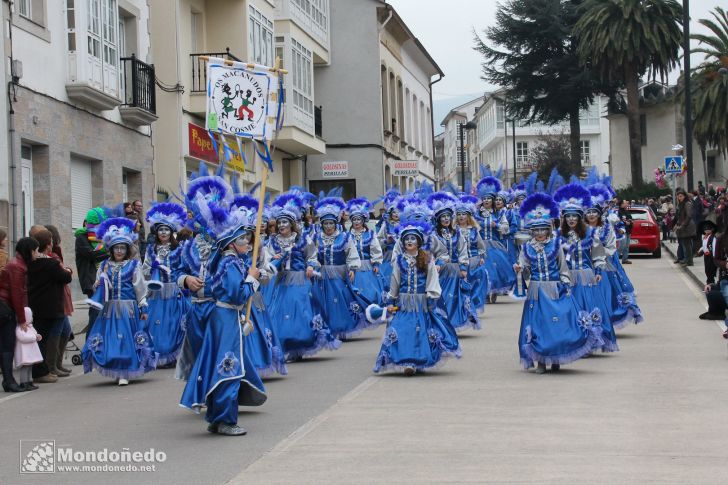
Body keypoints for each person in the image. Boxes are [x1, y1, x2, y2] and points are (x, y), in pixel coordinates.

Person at [180, 198, 267, 436]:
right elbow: (237, 295)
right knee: (230, 368)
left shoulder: (231, 261)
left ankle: (217, 418)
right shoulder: (230, 263)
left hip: (225, 317)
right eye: (242, 239)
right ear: (231, 243)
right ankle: (225, 420)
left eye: (247, 238)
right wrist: (252, 278)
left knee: (222, 365)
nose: (247, 242)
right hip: (226, 317)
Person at [515, 193, 604, 374]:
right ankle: (540, 360)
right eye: (536, 230)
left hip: (555, 288)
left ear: (548, 230)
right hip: (536, 291)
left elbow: (563, 268)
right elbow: (525, 270)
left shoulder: (555, 245)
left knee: (557, 323)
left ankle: (555, 359)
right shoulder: (526, 248)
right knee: (539, 324)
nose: (540, 233)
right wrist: (519, 269)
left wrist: (565, 284)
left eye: (543, 230)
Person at [371, 218, 461, 375]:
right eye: (406, 239)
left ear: (419, 242)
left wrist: (431, 295)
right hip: (404, 301)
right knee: (402, 329)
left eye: (412, 238)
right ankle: (407, 361)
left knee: (420, 330)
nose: (409, 241)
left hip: (421, 301)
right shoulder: (400, 260)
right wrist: (392, 297)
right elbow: (395, 280)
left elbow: (432, 277)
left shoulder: (426, 259)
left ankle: (418, 360)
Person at [82, 217, 157, 386]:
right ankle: (116, 368)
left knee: (126, 340)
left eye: (123, 248)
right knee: (111, 340)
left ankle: (125, 371)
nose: (119, 251)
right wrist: (99, 282)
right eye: (117, 248)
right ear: (112, 249)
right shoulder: (104, 265)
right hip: (109, 309)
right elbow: (97, 286)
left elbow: (140, 288)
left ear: (127, 249)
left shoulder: (133, 266)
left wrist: (143, 306)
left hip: (127, 309)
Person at [266, 191, 340, 360]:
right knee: (280, 314)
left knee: (301, 312)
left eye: (285, 222)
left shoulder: (302, 240)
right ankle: (286, 346)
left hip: (300, 280)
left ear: (292, 224)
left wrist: (310, 266)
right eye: (280, 222)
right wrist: (272, 258)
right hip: (282, 282)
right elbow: (266, 260)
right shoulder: (273, 241)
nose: (282, 225)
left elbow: (312, 256)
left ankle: (300, 344)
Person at [555, 184, 618, 353]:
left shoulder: (590, 233)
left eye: (574, 216)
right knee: (569, 310)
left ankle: (591, 341)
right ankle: (574, 342)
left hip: (586, 277)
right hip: (567, 277)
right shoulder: (559, 235)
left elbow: (598, 254)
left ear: (579, 217)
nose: (571, 220)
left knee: (588, 307)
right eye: (568, 217)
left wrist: (598, 271)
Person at [143, 202, 190, 368]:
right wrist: (152, 268)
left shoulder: (179, 249)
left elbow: (185, 267)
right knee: (156, 324)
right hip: (157, 292)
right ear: (156, 232)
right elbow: (145, 271)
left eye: (166, 229)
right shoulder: (151, 249)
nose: (163, 232)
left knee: (174, 324)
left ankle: (173, 356)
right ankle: (158, 354)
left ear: (172, 232)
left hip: (174, 291)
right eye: (161, 229)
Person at [310, 195, 363, 339]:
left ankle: (342, 328)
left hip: (340, 273)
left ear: (335, 223)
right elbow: (311, 255)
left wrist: (352, 268)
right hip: (322, 275)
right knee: (324, 301)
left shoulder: (345, 237)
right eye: (325, 223)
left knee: (341, 300)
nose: (328, 226)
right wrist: (314, 266)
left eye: (331, 223)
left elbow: (352, 253)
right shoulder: (316, 238)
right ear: (322, 224)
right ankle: (328, 329)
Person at [27, 229, 73, 382]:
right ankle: (44, 370)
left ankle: (49, 367)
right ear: (48, 245)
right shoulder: (50, 262)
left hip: (36, 305)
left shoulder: (31, 262)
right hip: (51, 306)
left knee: (46, 336)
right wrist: (68, 270)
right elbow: (65, 277)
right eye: (51, 242)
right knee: (46, 338)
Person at [428, 192, 478, 332]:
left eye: (448, 216)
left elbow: (463, 251)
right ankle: (443, 323)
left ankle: (454, 323)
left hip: (455, 270)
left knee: (455, 298)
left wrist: (463, 267)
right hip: (440, 271)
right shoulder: (433, 235)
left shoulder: (457, 233)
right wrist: (434, 265)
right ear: (438, 219)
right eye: (443, 217)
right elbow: (430, 253)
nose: (446, 219)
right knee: (442, 297)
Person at [0, 237, 38, 392]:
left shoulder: (18, 264)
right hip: (5, 309)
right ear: (29, 251)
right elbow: (16, 294)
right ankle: (9, 381)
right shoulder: (18, 267)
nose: (37, 254)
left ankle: (9, 380)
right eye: (35, 250)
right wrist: (23, 319)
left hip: (5, 307)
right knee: (7, 346)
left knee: (6, 345)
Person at [475, 176, 516, 302]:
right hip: (480, 246)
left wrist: (497, 225)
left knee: (496, 269)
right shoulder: (477, 214)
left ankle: (493, 292)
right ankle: (486, 292)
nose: (486, 200)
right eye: (484, 198)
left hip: (495, 245)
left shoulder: (499, 214)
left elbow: (506, 228)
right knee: (484, 269)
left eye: (489, 198)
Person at [347, 197, 386, 320]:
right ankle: (360, 315)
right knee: (357, 293)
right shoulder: (347, 236)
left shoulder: (370, 234)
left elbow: (375, 250)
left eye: (359, 219)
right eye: (354, 220)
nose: (357, 222)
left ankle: (372, 312)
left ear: (363, 220)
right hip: (354, 269)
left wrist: (376, 264)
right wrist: (350, 268)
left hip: (368, 266)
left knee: (372, 292)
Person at [45, 224, 74, 376]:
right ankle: (52, 365)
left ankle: (57, 363)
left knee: (65, 329)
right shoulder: (52, 256)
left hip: (61, 294)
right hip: (57, 296)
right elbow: (62, 273)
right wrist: (67, 270)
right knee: (59, 329)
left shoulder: (56, 252)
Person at [75, 207, 111, 332]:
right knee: (95, 314)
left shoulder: (104, 238)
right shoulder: (82, 238)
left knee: (105, 315)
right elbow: (91, 254)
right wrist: (109, 252)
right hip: (92, 280)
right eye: (96, 224)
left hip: (106, 279)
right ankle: (90, 346)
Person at [456, 194, 490, 314]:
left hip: (474, 261)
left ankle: (473, 305)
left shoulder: (474, 230)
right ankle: (465, 307)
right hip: (461, 263)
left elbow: (481, 246)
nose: (461, 216)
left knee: (476, 284)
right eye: (459, 214)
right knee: (463, 285)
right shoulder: (454, 231)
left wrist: (481, 257)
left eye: (463, 214)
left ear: (468, 216)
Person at [14, 307, 41, 391]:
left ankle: (29, 381)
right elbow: (22, 337)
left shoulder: (30, 327)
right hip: (24, 353)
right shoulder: (19, 328)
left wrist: (37, 336)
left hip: (30, 352)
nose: (32, 318)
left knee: (30, 367)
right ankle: (23, 382)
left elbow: (34, 333)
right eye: (30, 316)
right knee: (25, 368)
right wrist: (34, 337)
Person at [674, 189, 696, 266]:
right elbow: (680, 216)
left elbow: (689, 216)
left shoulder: (687, 203)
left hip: (687, 227)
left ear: (684, 196)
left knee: (687, 245)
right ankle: (687, 260)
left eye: (681, 196)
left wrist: (683, 225)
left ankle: (690, 261)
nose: (679, 198)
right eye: (678, 196)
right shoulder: (681, 204)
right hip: (683, 226)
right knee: (684, 244)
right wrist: (677, 224)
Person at [698, 220, 718, 285]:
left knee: (711, 271)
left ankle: (710, 284)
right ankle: (709, 283)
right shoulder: (704, 237)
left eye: (708, 229)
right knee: (707, 270)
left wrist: (714, 257)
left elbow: (714, 247)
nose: (706, 231)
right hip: (706, 257)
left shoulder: (713, 238)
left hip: (711, 257)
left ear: (711, 230)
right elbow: (704, 245)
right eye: (705, 229)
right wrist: (700, 250)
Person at [617, 199, 633, 264]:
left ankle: (625, 259)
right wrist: (625, 222)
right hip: (623, 231)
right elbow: (618, 220)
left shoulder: (627, 211)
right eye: (625, 203)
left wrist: (630, 221)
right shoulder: (619, 212)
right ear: (621, 204)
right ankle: (615, 259)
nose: (626, 204)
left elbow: (630, 218)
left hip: (628, 230)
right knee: (622, 246)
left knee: (627, 246)